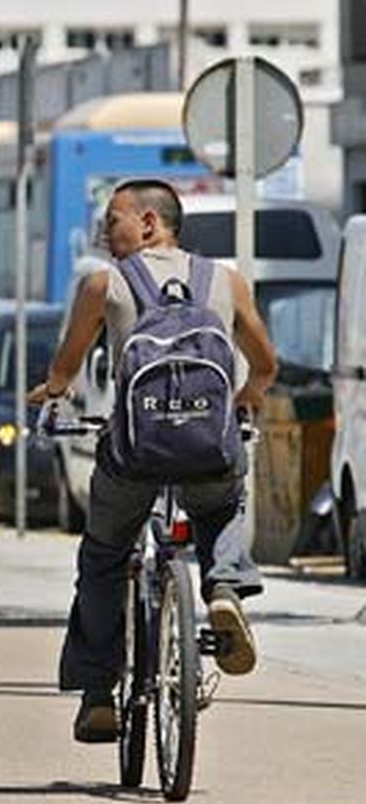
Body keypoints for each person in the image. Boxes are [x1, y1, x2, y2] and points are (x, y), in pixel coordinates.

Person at [29, 178, 275, 743]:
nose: (102, 231)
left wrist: (52, 394)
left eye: (112, 219)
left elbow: (65, 368)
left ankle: (97, 695)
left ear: (147, 222)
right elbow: (264, 365)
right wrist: (241, 403)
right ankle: (224, 590)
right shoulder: (226, 281)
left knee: (104, 557)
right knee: (220, 508)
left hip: (134, 454)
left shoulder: (102, 285)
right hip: (210, 449)